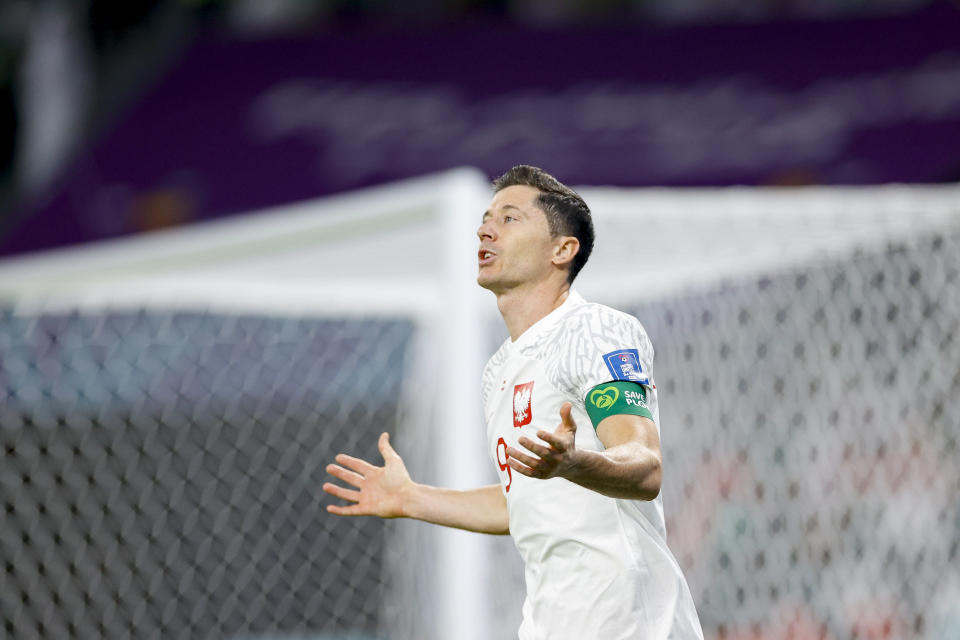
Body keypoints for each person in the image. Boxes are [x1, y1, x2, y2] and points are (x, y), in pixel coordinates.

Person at [323, 165, 704, 639]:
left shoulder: (595, 330)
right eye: (485, 219)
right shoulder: (498, 370)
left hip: (627, 619)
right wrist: (412, 497)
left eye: (509, 219)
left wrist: (575, 462)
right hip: (550, 622)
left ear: (562, 250)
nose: (485, 229)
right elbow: (522, 503)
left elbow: (645, 466)